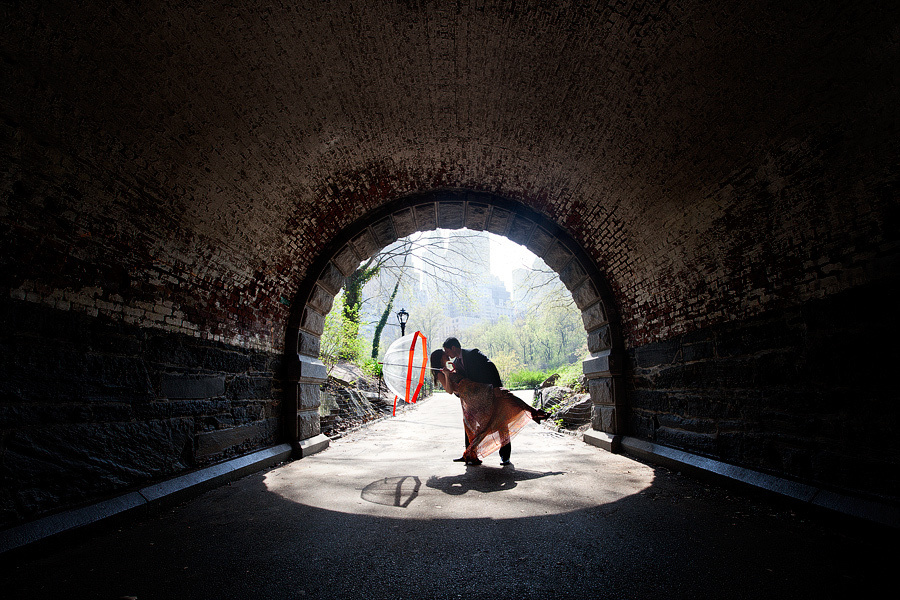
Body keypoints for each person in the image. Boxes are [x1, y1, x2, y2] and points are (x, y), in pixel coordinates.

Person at [431, 338, 548, 466]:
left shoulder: (472, 353)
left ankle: (506, 454)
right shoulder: (455, 364)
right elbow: (455, 386)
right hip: (474, 398)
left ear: (453, 348)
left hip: (488, 391)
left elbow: (491, 366)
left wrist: (497, 386)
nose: (447, 354)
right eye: (445, 353)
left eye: (447, 351)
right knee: (473, 426)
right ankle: (469, 453)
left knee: (502, 414)